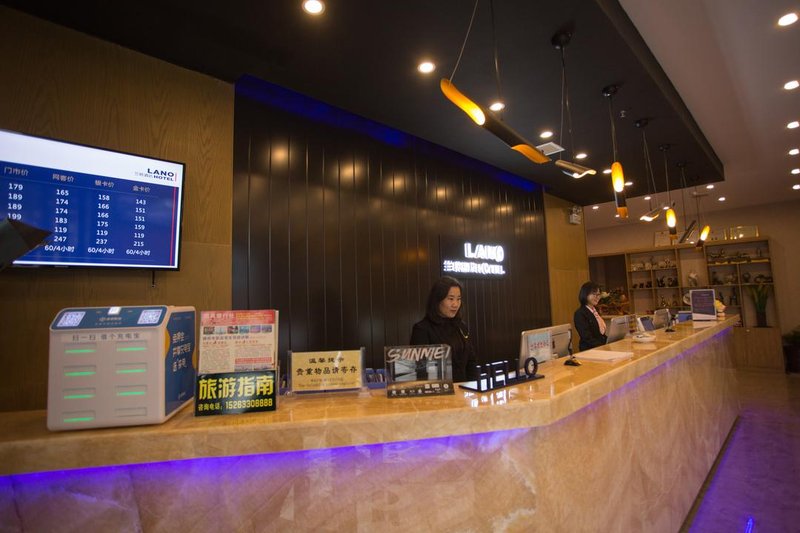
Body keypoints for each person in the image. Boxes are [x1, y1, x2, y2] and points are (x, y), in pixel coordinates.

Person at [411, 276, 478, 382]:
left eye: (458, 299)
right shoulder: (422, 329)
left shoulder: (461, 326)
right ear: (437, 300)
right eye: (450, 299)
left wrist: (473, 386)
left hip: (464, 388)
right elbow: (420, 370)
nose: (455, 304)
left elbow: (471, 361)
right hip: (438, 390)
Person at [573, 281, 608, 351]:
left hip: (600, 349)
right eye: (594, 294)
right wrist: (603, 346)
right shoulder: (580, 313)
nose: (597, 297)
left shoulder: (595, 311)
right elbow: (587, 338)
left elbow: (600, 334)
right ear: (585, 294)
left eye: (598, 294)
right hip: (589, 351)